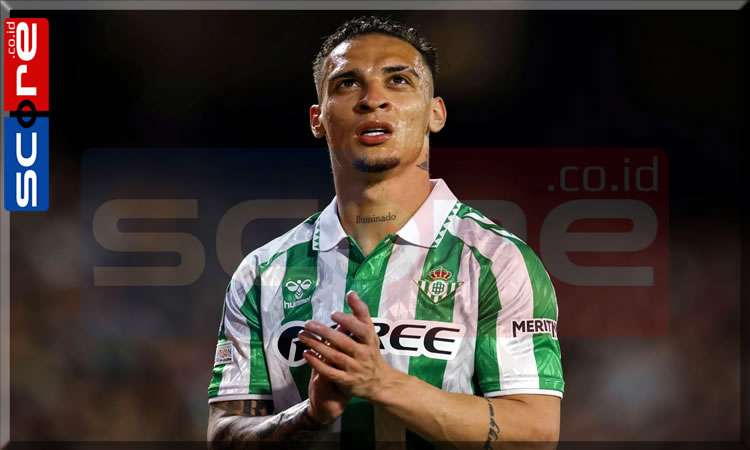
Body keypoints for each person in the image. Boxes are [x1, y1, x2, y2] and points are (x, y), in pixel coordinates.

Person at [207, 15, 563, 449]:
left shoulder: (496, 262)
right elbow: (223, 434)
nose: (373, 99)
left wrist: (382, 383)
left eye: (398, 81)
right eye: (347, 83)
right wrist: (310, 415)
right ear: (318, 119)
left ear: (435, 113)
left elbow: (535, 433)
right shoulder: (262, 273)